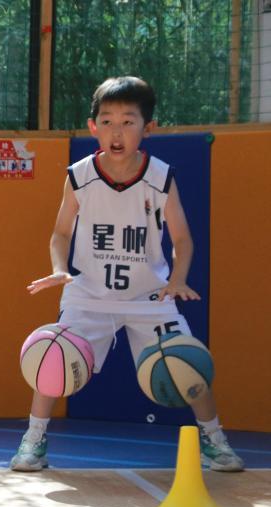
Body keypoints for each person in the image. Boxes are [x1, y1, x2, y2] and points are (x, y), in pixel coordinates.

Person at [12, 76, 243, 473]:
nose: (116, 132)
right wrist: (60, 269)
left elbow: (182, 239)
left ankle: (214, 439)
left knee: (187, 361)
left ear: (147, 128)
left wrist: (178, 279)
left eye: (127, 122)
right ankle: (34, 439)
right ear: (93, 126)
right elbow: (60, 233)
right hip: (89, 294)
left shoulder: (160, 177)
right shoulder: (79, 175)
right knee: (53, 356)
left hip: (150, 297)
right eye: (107, 121)